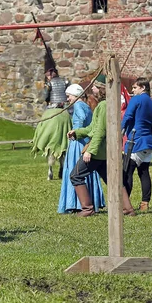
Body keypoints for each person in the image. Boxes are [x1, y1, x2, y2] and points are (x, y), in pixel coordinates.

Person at [67, 75, 135, 217]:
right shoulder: (105, 104)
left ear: (102, 89)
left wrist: (90, 151)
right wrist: (77, 133)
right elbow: (92, 127)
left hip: (99, 151)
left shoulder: (104, 106)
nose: (92, 89)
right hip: (105, 152)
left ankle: (87, 209)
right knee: (113, 180)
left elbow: (99, 131)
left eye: (95, 86)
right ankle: (127, 209)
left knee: (75, 176)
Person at [58, 84, 104, 214]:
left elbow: (82, 118)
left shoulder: (78, 105)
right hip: (84, 141)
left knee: (75, 170)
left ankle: (77, 203)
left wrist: (76, 130)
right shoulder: (86, 105)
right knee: (86, 172)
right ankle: (89, 201)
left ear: (76, 94)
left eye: (69, 96)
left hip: (78, 142)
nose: (68, 99)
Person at [121, 77, 152, 212]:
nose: (132, 90)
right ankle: (144, 204)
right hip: (148, 141)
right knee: (144, 173)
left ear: (142, 88)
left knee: (127, 173)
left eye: (135, 87)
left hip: (135, 141)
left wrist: (120, 131)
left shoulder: (136, 100)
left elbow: (128, 116)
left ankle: (125, 205)